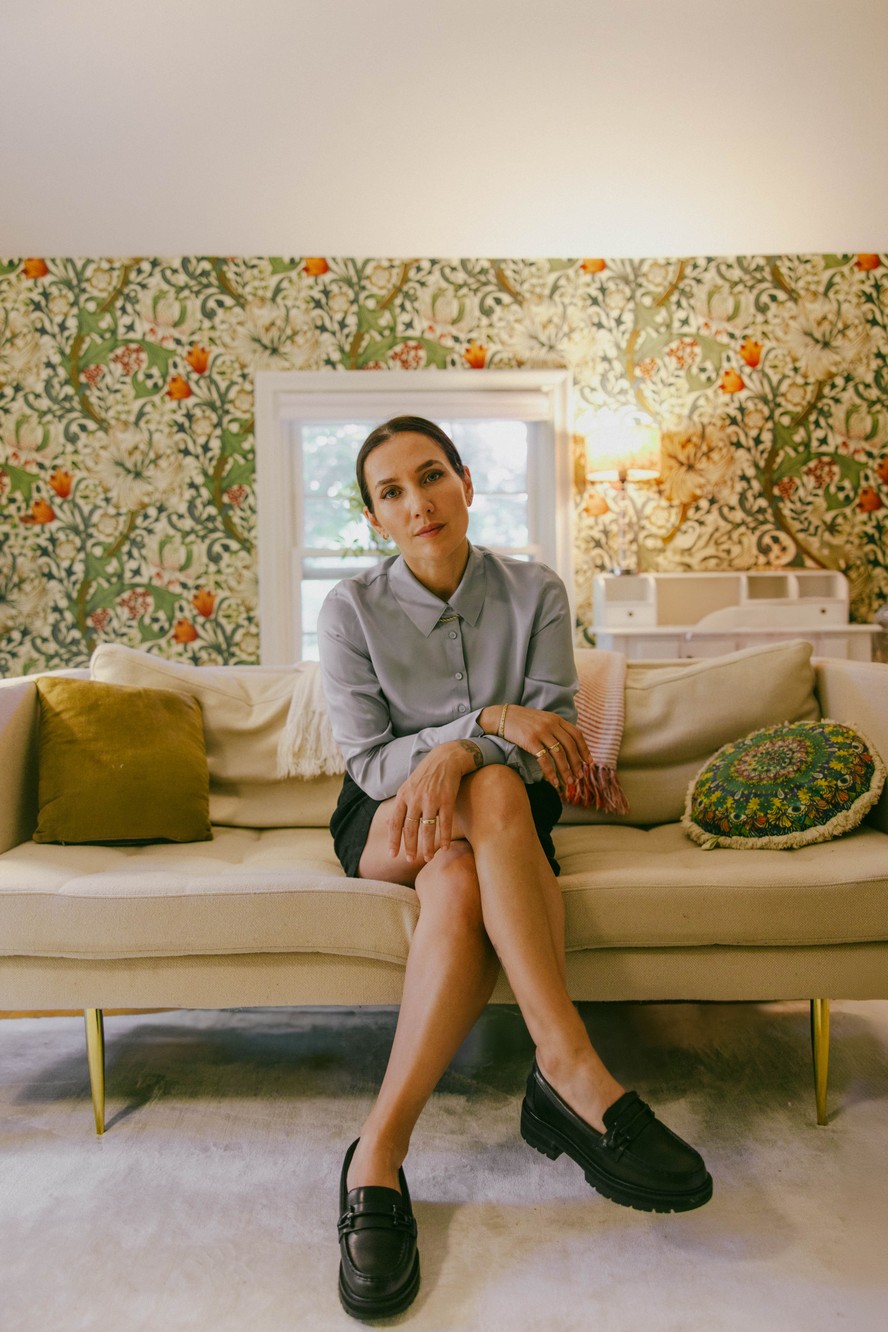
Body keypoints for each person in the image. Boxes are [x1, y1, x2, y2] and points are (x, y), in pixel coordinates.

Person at [318, 416, 711, 1321]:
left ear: (465, 482)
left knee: (472, 847)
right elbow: (372, 763)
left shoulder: (537, 591)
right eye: (391, 492)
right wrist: (483, 725)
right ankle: (566, 1068)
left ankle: (378, 1152)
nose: (417, 503)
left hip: (502, 813)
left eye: (431, 477)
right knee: (485, 780)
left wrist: (471, 752)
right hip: (387, 814)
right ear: (375, 517)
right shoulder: (350, 610)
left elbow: (552, 743)